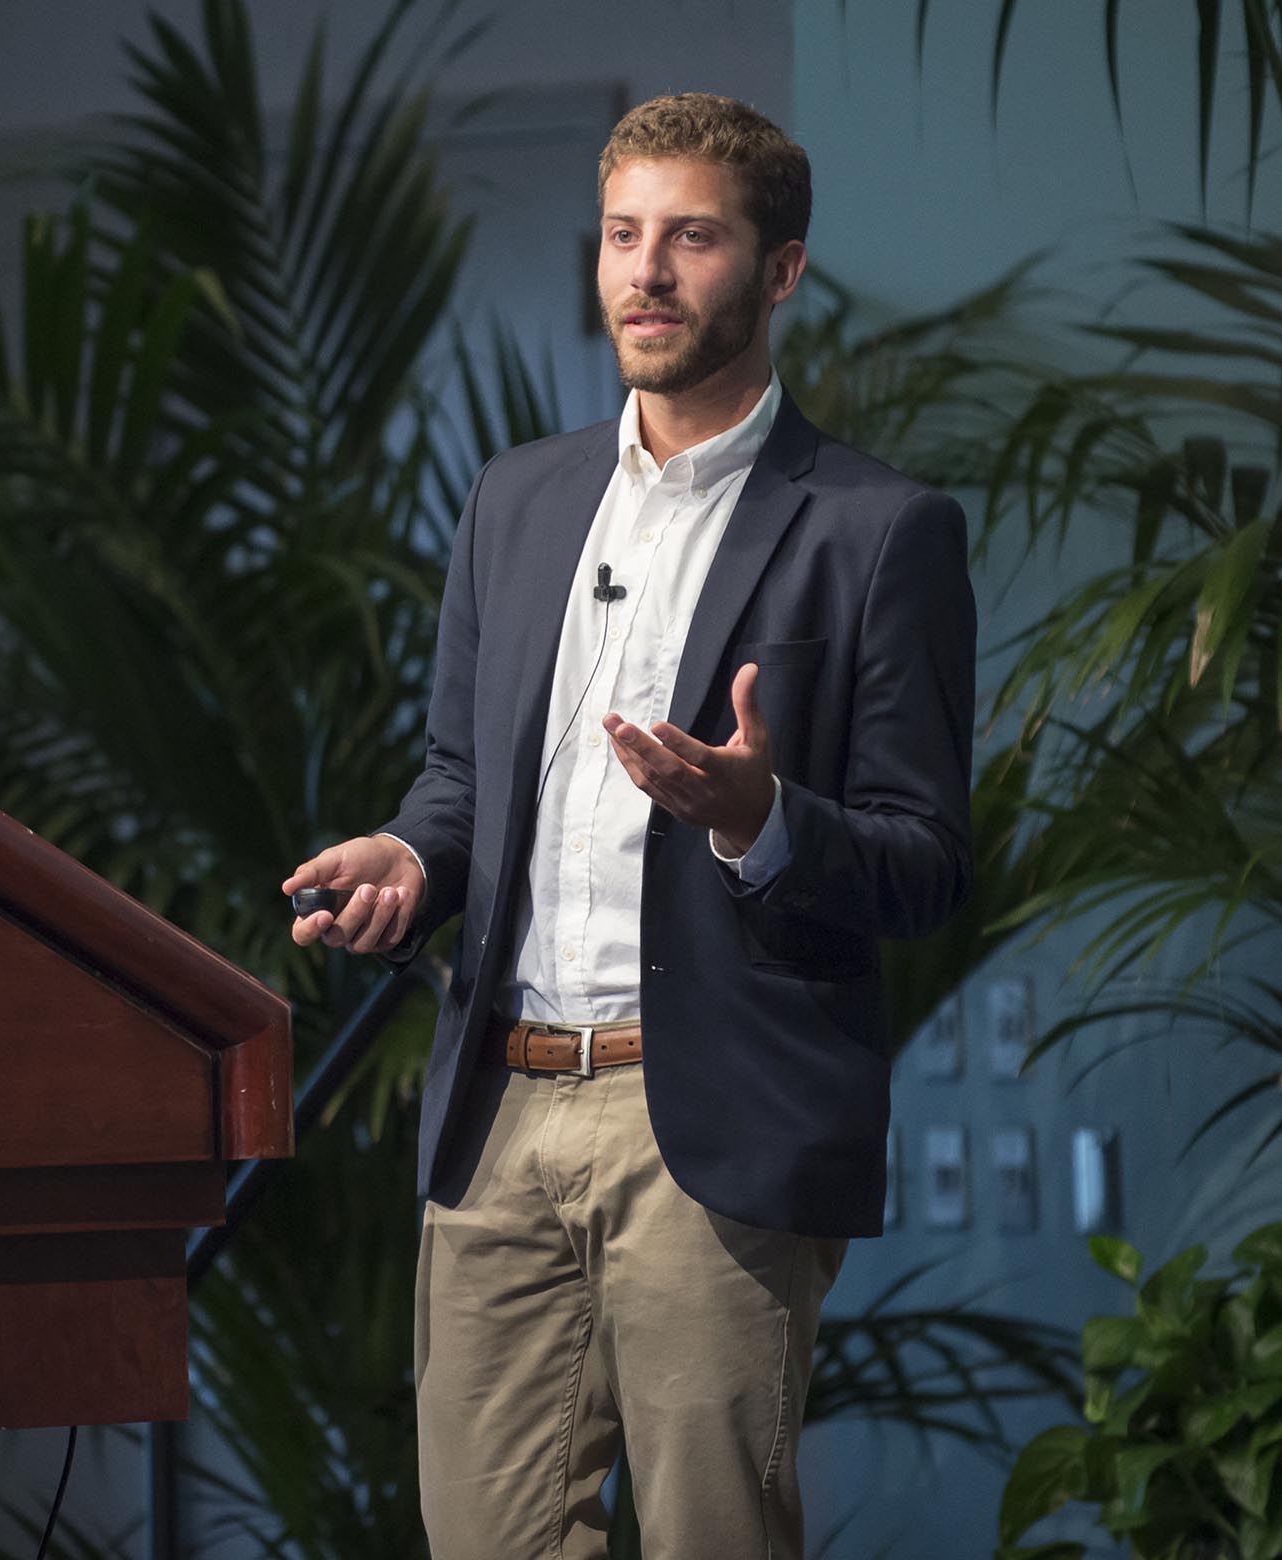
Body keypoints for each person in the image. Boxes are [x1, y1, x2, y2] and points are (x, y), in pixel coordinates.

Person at [281, 93, 974, 1557]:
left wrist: (759, 818)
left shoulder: (874, 529)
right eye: (622, 235)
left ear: (778, 271)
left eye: (692, 238)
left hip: (711, 1124)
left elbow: (925, 864)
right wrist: (409, 859)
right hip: (504, 1108)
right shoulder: (517, 500)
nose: (646, 273)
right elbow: (460, 781)